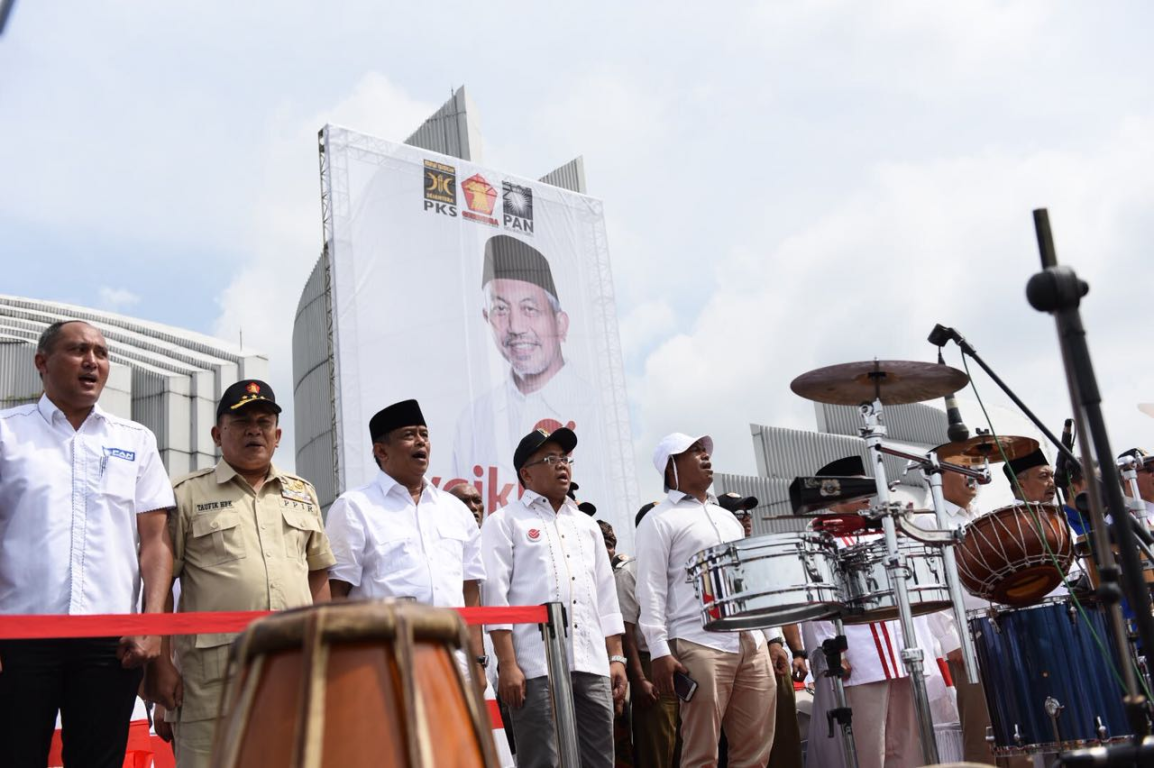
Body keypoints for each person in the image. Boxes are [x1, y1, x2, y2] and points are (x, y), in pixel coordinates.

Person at [0, 320, 175, 768]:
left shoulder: (134, 441)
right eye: (78, 350)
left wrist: (152, 625)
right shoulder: (6, 433)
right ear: (42, 363)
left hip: (110, 641)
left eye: (101, 352)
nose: (92, 361)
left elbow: (155, 544)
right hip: (18, 635)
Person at [151, 379, 335, 767]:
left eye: (264, 421)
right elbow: (161, 583)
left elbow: (317, 576)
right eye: (242, 422)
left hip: (295, 667)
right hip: (213, 679)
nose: (255, 430)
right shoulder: (185, 494)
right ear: (218, 434)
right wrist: (161, 663)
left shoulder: (303, 493)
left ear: (278, 434)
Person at [481, 427, 628, 768]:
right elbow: (495, 599)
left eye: (565, 458)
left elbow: (605, 595)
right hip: (533, 667)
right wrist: (507, 665)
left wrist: (616, 657)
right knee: (541, 760)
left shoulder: (588, 525)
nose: (562, 465)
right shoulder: (505, 521)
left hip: (591, 662)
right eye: (550, 459)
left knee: (599, 759)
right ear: (526, 473)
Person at [635, 433, 777, 768]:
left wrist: (772, 639)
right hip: (698, 641)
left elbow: (749, 583)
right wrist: (658, 650)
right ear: (672, 466)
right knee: (701, 753)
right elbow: (650, 588)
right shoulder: (658, 520)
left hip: (750, 642)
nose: (706, 456)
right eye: (694, 452)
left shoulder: (728, 518)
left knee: (755, 752)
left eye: (705, 451)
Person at [325, 399, 487, 684]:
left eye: (424, 434)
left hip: (454, 664)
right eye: (409, 435)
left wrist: (477, 660)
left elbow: (469, 589)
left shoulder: (455, 510)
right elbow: (337, 593)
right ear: (381, 451)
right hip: (384, 665)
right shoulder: (354, 506)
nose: (420, 442)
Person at [803, 456, 948, 768]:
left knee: (908, 744)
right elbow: (816, 602)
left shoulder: (882, 531)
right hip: (859, 655)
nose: (867, 493)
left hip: (900, 650)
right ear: (832, 494)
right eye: (857, 486)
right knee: (868, 747)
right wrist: (831, 652)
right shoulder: (817, 538)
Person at [451, 234, 604, 515]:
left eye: (529, 309)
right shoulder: (472, 419)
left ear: (560, 323)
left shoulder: (598, 410)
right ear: (487, 319)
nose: (515, 326)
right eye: (501, 309)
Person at [717, 491, 807, 768]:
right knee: (729, 743)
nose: (745, 519)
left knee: (777, 738)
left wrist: (790, 648)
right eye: (737, 513)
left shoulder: (758, 553)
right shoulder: (718, 557)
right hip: (729, 654)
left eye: (747, 512)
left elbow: (780, 608)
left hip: (769, 651)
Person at [617, 502, 681, 768]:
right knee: (658, 748)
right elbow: (627, 632)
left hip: (684, 661)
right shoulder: (629, 571)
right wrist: (639, 679)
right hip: (649, 664)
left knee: (687, 744)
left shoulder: (680, 567)